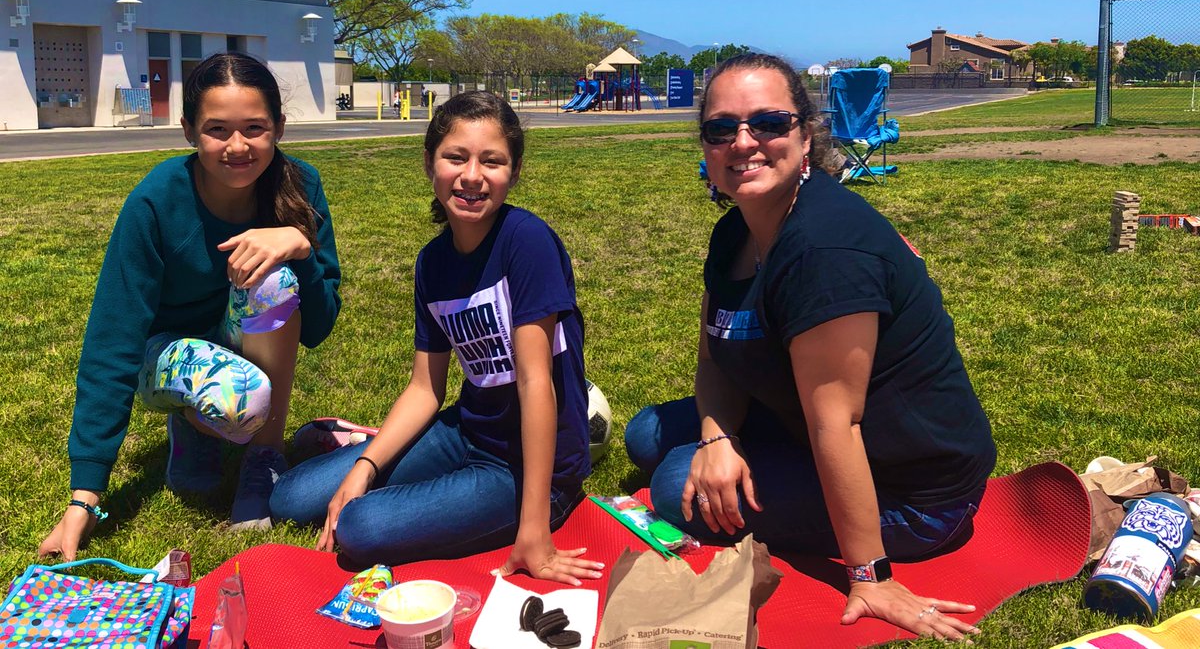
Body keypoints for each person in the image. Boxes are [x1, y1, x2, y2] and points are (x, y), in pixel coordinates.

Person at [624, 54, 996, 641]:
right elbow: (713, 350)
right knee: (645, 433)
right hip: (803, 421)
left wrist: (869, 577)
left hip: (911, 490)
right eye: (722, 128)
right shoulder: (735, 231)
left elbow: (838, 424)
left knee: (673, 485)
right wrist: (718, 437)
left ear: (805, 134)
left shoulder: (827, 252)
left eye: (768, 123)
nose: (743, 142)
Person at [271, 91, 602, 585]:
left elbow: (536, 382)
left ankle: (515, 504)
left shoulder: (526, 242)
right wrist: (365, 466)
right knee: (291, 499)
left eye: (492, 161)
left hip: (529, 467)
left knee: (360, 528)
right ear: (430, 163)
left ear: (513, 170)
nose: (472, 176)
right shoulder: (432, 262)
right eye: (456, 157)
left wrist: (534, 529)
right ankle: (360, 448)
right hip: (466, 431)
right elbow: (426, 388)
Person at [39, 52, 342, 559]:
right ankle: (192, 419)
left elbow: (319, 326)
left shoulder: (301, 185)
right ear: (188, 131)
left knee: (274, 279)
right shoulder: (156, 201)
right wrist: (84, 497)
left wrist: (299, 245)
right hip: (163, 357)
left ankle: (261, 460)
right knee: (236, 398)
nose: (238, 146)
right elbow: (112, 342)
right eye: (218, 129)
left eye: (255, 128)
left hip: (235, 339)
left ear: (280, 129)